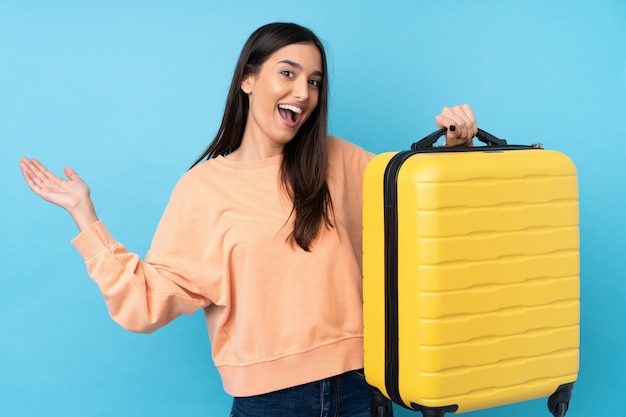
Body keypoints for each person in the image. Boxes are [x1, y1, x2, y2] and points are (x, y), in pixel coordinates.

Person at [19, 22, 477, 417]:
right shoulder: (204, 189)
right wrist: (85, 215)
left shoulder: (340, 160)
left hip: (365, 386)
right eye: (288, 73)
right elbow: (144, 303)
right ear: (248, 80)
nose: (303, 91)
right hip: (270, 402)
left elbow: (423, 219)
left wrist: (455, 151)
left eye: (314, 81)